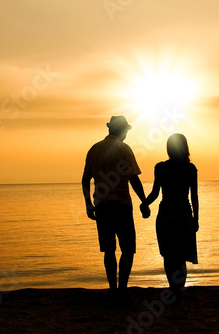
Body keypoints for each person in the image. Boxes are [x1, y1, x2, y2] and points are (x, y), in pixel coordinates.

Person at [82, 115, 150, 302]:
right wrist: (144, 202)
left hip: (102, 206)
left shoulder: (94, 149)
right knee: (128, 249)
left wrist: (88, 204)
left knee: (109, 250)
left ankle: (112, 289)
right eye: (126, 131)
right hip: (121, 205)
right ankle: (122, 289)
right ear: (122, 131)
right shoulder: (124, 149)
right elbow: (133, 178)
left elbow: (85, 179)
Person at [140, 133, 199, 302]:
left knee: (169, 254)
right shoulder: (190, 168)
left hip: (166, 214)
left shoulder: (161, 167)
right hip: (183, 213)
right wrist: (196, 218)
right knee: (180, 255)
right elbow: (194, 195)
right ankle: (179, 289)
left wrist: (145, 203)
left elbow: (155, 192)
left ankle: (173, 289)